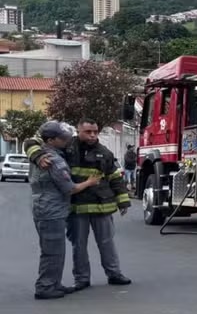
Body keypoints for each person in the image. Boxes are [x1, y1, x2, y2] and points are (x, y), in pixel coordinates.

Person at [25, 118, 132, 290]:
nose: (92, 135)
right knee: (79, 245)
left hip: (101, 206)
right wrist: (36, 155)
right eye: (88, 131)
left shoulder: (104, 152)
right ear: (78, 131)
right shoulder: (66, 146)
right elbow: (34, 141)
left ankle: (114, 274)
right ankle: (82, 278)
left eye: (95, 132)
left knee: (107, 242)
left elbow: (114, 178)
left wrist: (123, 201)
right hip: (77, 206)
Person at [29, 121, 101, 300]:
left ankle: (54, 283)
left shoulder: (41, 155)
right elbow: (70, 189)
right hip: (51, 211)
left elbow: (30, 142)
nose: (67, 141)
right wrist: (89, 182)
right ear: (51, 140)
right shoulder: (53, 160)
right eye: (63, 139)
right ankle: (45, 287)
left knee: (55, 249)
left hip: (44, 207)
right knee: (52, 250)